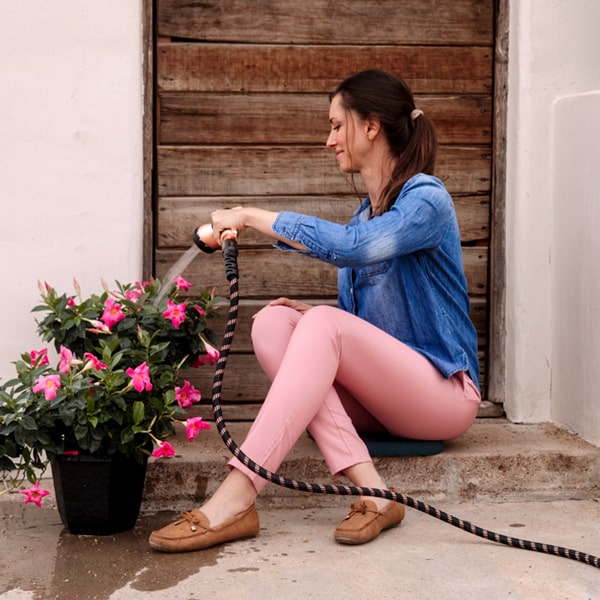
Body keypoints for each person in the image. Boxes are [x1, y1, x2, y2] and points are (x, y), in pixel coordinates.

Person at [149, 69, 481, 553]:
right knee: (273, 323)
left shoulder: (425, 199)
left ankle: (238, 497)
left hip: (443, 397)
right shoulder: (363, 215)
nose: (329, 141)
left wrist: (250, 216)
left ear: (370, 126)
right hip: (382, 401)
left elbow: (351, 249)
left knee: (322, 322)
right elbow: (365, 307)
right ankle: (375, 492)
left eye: (335, 125)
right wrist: (318, 321)